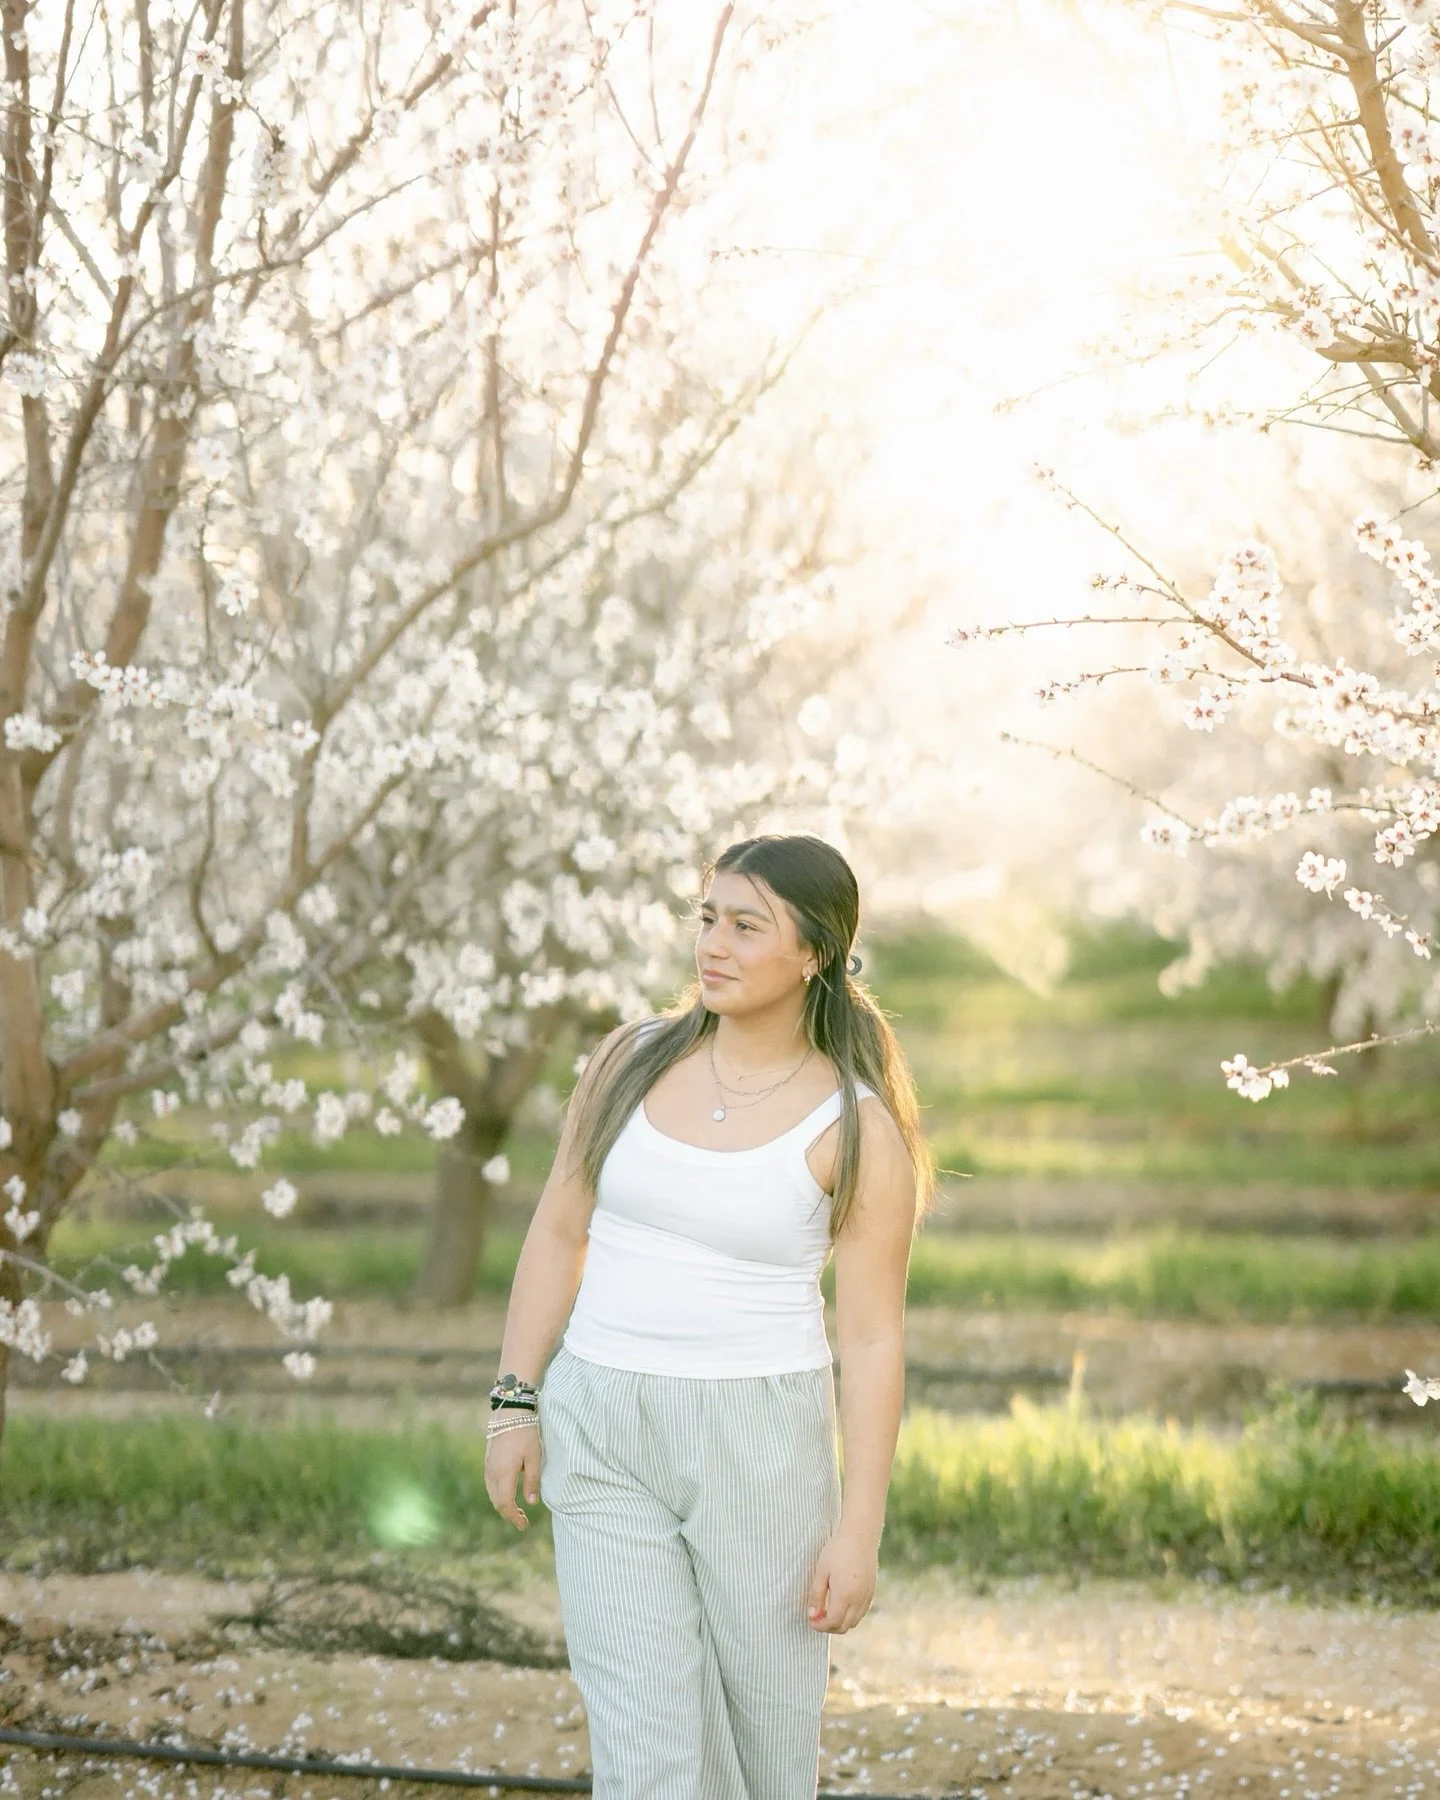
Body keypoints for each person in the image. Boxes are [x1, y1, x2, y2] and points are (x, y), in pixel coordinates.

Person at [482, 832, 933, 1799]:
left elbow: (870, 1338)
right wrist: (515, 1401)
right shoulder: (631, 1061)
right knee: (648, 1745)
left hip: (759, 1444)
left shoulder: (854, 1131)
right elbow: (560, 1230)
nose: (712, 946)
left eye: (745, 925)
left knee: (766, 1757)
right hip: (600, 1425)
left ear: (814, 951)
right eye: (706, 918)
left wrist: (860, 1529)